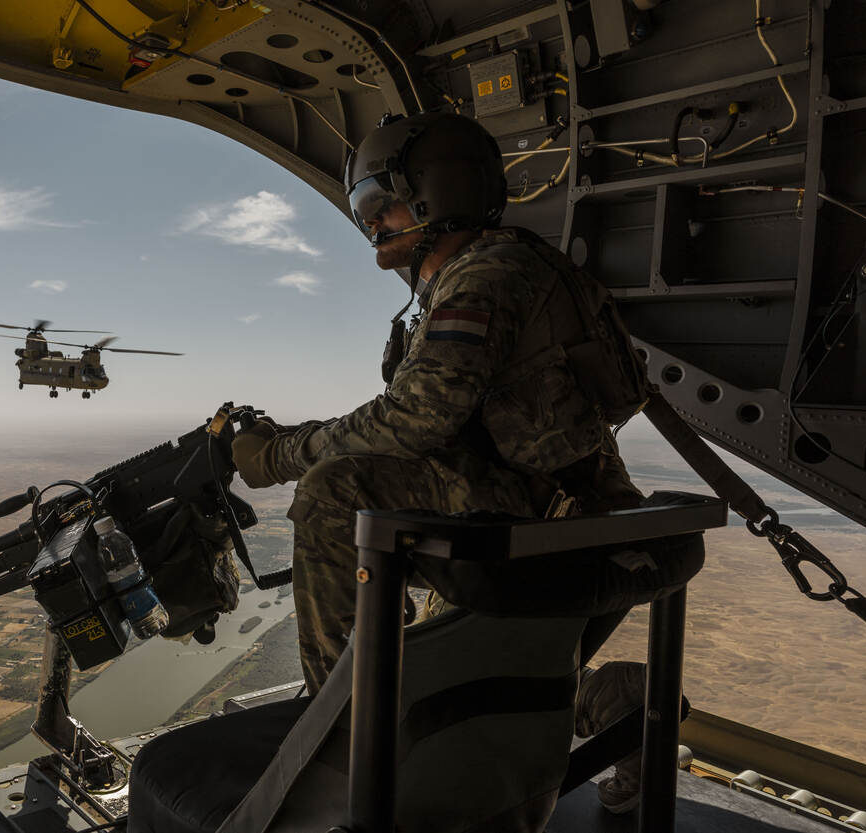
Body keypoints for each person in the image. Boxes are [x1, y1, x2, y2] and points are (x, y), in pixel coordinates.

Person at [230, 110, 648, 808]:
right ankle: (618, 702)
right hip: (548, 508)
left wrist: (277, 457)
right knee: (469, 675)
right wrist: (291, 435)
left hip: (541, 518)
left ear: (435, 195)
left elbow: (414, 419)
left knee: (334, 493)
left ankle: (346, 735)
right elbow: (427, 420)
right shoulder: (505, 268)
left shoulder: (487, 276)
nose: (370, 222)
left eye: (379, 201)